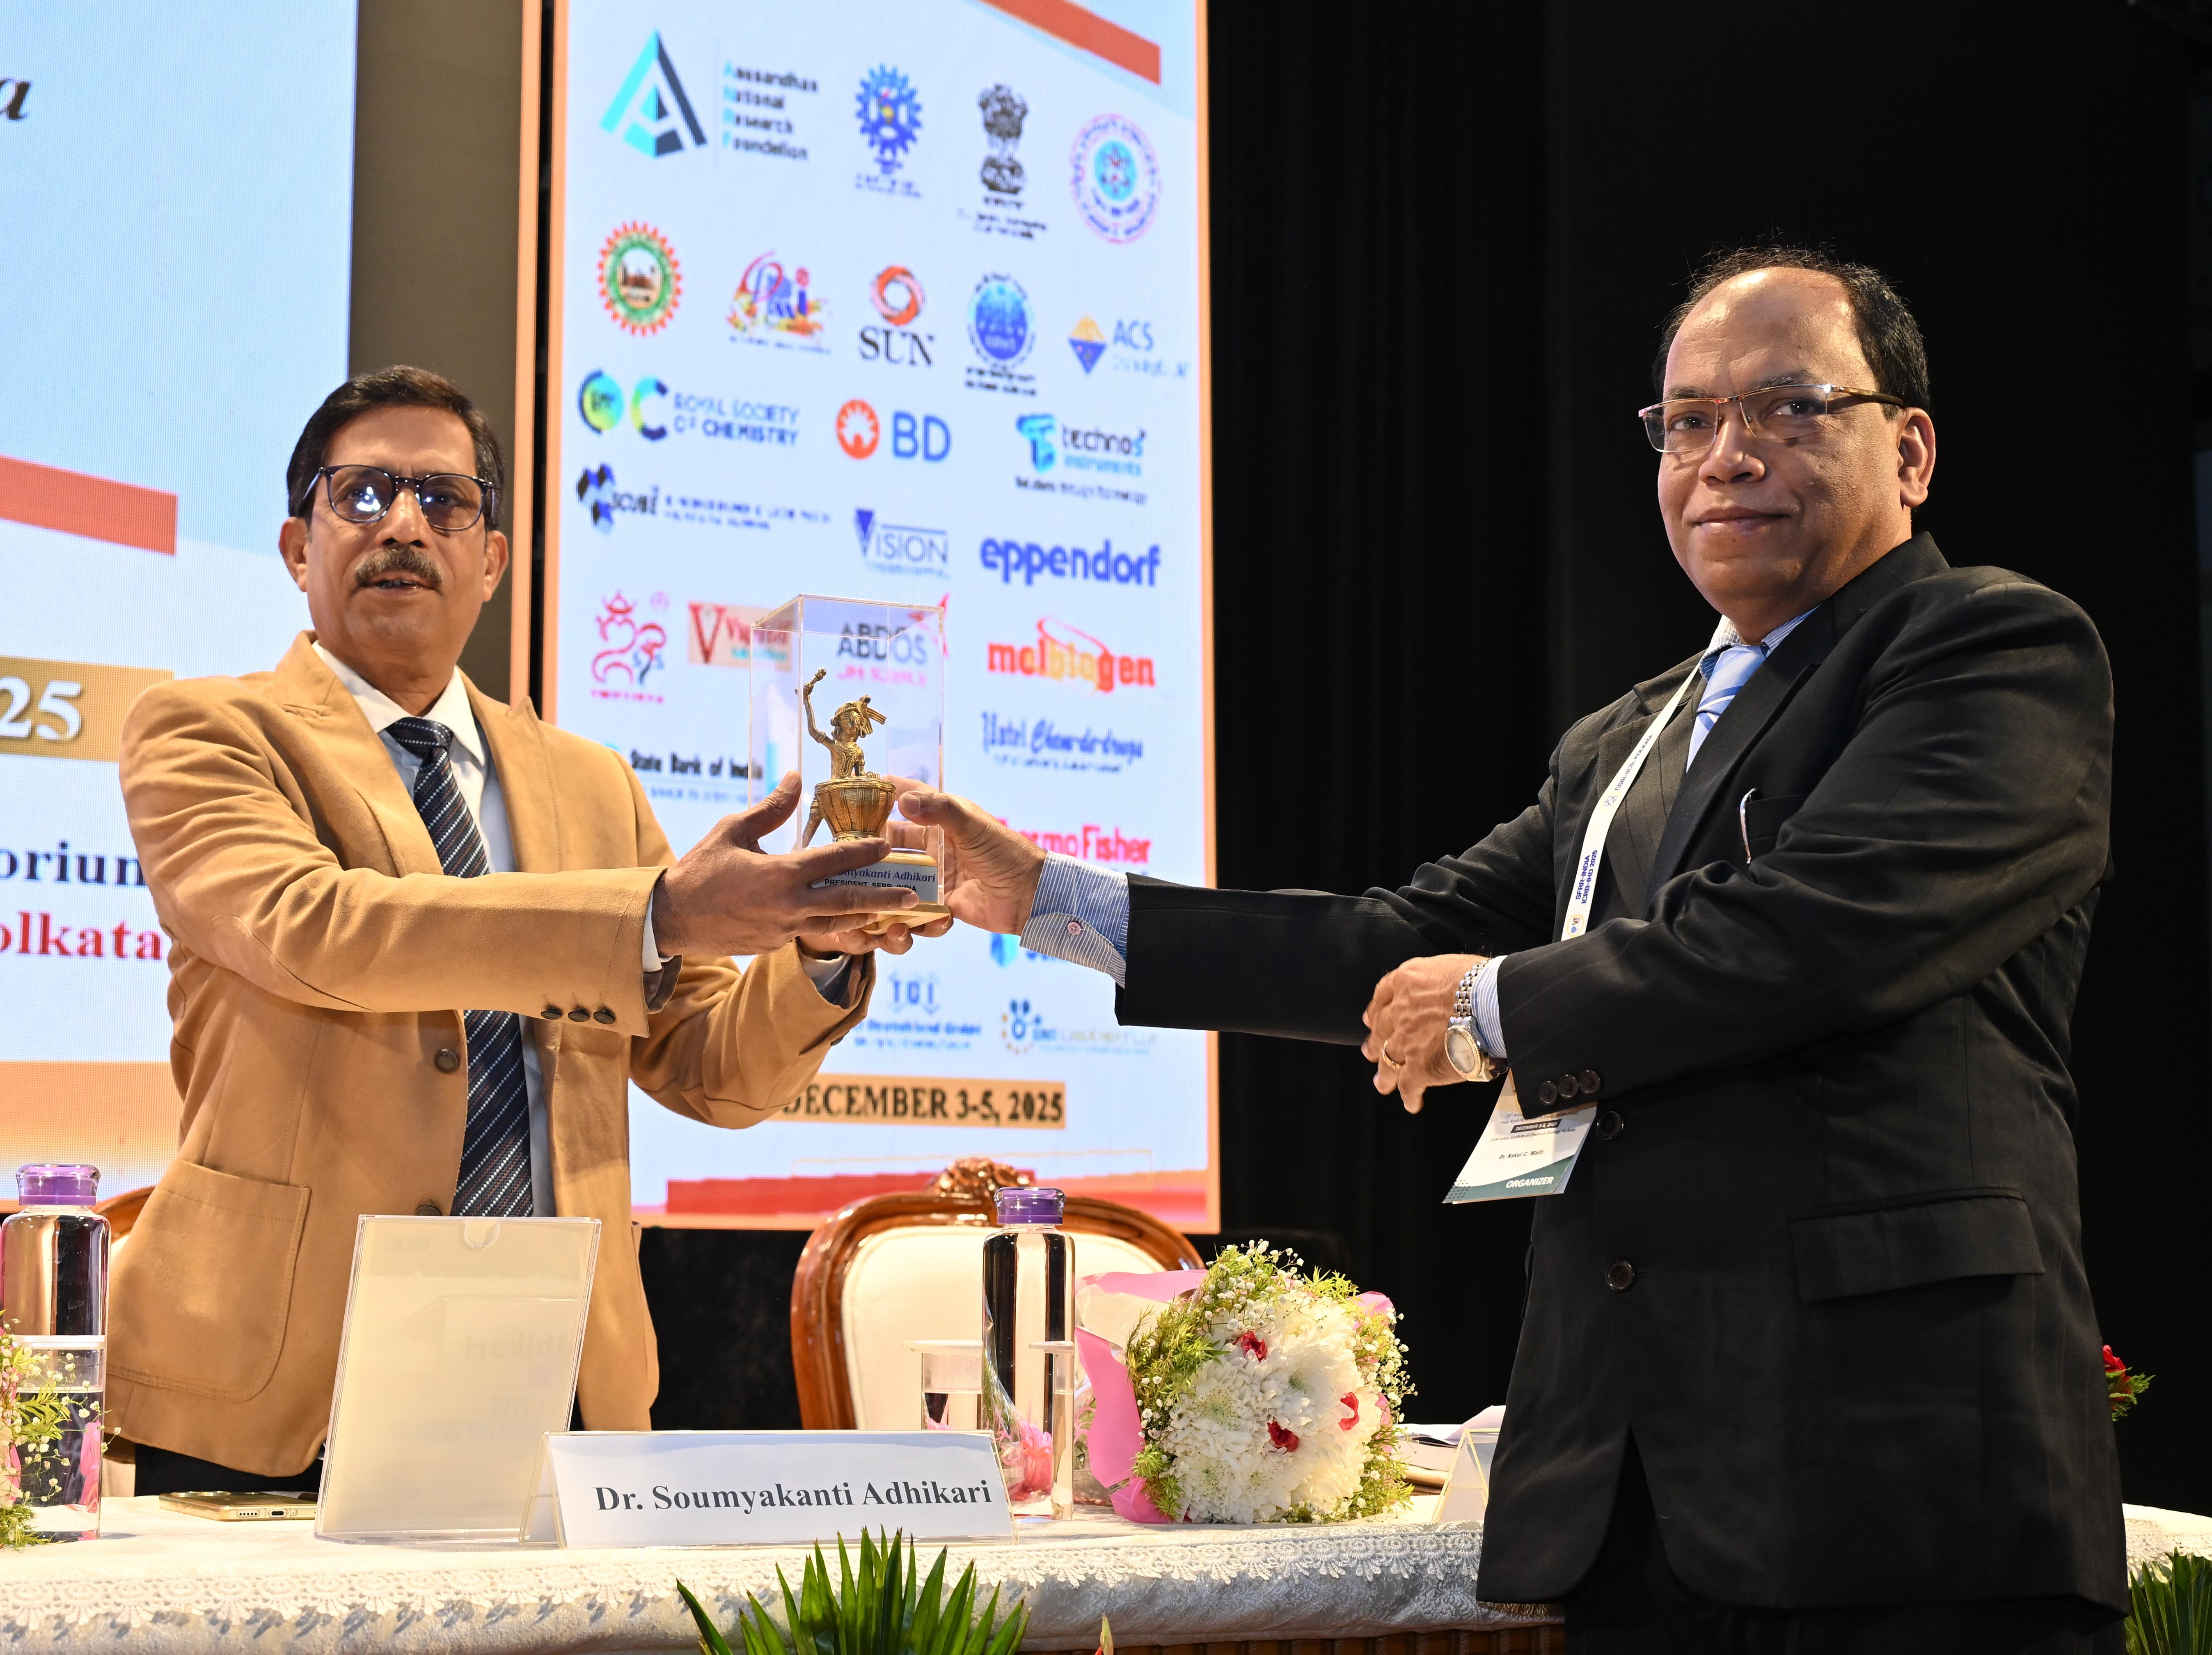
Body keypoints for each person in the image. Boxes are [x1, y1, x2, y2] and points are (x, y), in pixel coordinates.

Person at [902, 249, 2125, 1650]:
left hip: (1902, 1475)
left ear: (1908, 450)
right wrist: (1047, 901)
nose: (1727, 456)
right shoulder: (1625, 738)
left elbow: (1816, 934)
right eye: (1689, 421)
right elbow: (1402, 942)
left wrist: (1486, 1010)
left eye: (1788, 409)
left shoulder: (1989, 648)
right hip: (1640, 1490)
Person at [109, 366, 930, 1493]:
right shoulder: (207, 732)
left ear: (492, 562)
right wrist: (655, 913)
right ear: (298, 548)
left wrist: (820, 950)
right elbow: (320, 930)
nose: (403, 525)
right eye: (362, 495)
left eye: (443, 500)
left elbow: (709, 1067)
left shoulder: (589, 781)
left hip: (562, 1380)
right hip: (286, 1382)